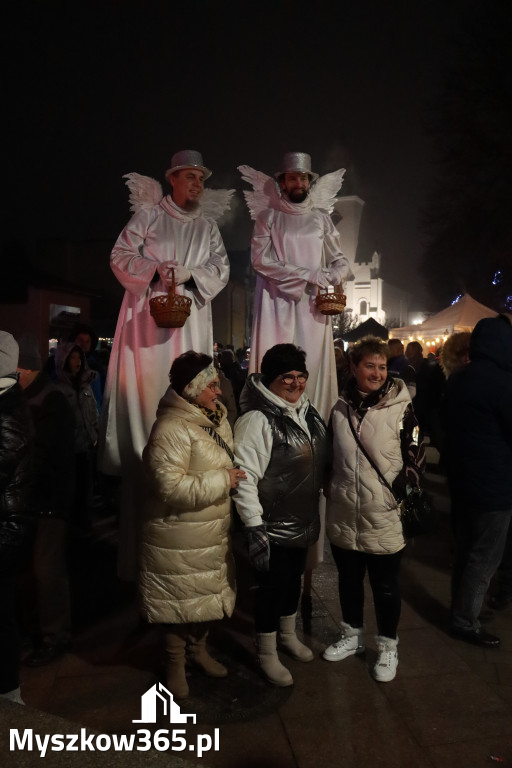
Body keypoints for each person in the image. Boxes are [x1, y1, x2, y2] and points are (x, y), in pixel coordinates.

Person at [100, 150, 230, 579]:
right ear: (172, 179)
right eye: (190, 177)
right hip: (147, 326)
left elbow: (220, 267)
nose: (197, 185)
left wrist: (188, 276)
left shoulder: (208, 227)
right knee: (148, 397)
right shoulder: (150, 218)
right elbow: (121, 256)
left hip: (189, 319)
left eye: (201, 179)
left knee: (187, 392)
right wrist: (158, 269)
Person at [140, 351, 244, 699]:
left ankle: (198, 651)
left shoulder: (213, 418)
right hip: (178, 534)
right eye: (211, 384)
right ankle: (174, 664)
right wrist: (223, 480)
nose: (218, 391)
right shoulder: (171, 428)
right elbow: (168, 487)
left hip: (210, 532)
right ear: (191, 388)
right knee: (177, 603)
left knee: (206, 599)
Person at [324, 336, 424, 682]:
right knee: (349, 581)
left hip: (383, 511)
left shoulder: (401, 406)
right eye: (370, 365)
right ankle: (351, 636)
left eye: (382, 366)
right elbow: (329, 453)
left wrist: (403, 484)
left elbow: (415, 449)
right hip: (344, 509)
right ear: (354, 367)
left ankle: (388, 646)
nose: (378, 372)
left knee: (385, 586)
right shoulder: (339, 407)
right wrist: (330, 485)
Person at [233, 344, 328, 686]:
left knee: (292, 585)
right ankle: (267, 652)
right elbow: (243, 477)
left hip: (302, 521)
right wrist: (254, 526)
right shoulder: (257, 420)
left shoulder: (307, 412)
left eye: (301, 376)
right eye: (286, 376)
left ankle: (288, 636)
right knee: (270, 591)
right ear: (270, 379)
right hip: (271, 526)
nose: (295, 383)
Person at [240, 152, 349, 422]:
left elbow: (339, 257)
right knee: (277, 361)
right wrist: (306, 275)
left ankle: (316, 425)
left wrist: (338, 272)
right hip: (275, 302)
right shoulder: (268, 217)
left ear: (308, 182)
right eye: (292, 178)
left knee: (312, 362)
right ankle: (270, 424)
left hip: (313, 306)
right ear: (283, 183)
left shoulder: (321, 218)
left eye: (302, 178)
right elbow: (260, 260)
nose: (298, 183)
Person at [444, 314, 512, 647]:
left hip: (463, 481)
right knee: (484, 557)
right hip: (495, 485)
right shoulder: (502, 382)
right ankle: (466, 620)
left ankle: (462, 609)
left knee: (466, 551)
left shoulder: (458, 378)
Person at [16, 333, 75, 666]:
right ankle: (35, 628)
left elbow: (46, 458)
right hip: (29, 500)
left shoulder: (49, 402)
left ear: (24, 369)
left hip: (48, 501)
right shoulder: (29, 397)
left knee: (47, 570)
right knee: (30, 569)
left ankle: (56, 633)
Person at [0, 332, 33, 704]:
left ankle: (9, 694)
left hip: (5, 533)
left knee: (2, 616)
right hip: (7, 528)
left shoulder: (9, 412)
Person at [53, 342, 99, 538]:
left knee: (85, 490)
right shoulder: (58, 390)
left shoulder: (86, 386)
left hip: (87, 447)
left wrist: (96, 436)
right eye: (72, 357)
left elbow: (93, 415)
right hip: (70, 450)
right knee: (72, 492)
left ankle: (83, 525)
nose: (77, 361)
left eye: (79, 357)